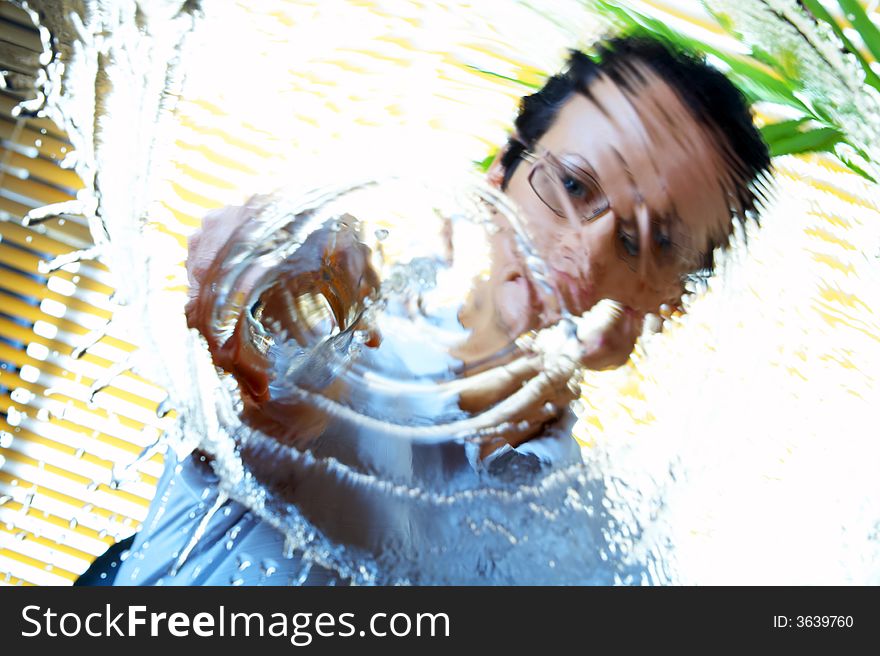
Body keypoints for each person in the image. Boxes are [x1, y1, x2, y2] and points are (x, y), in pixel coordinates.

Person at [76, 35, 771, 586]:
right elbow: (264, 357)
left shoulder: (605, 562)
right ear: (502, 172)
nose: (586, 256)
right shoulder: (343, 351)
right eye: (571, 184)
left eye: (640, 243)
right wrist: (265, 262)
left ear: (669, 304)